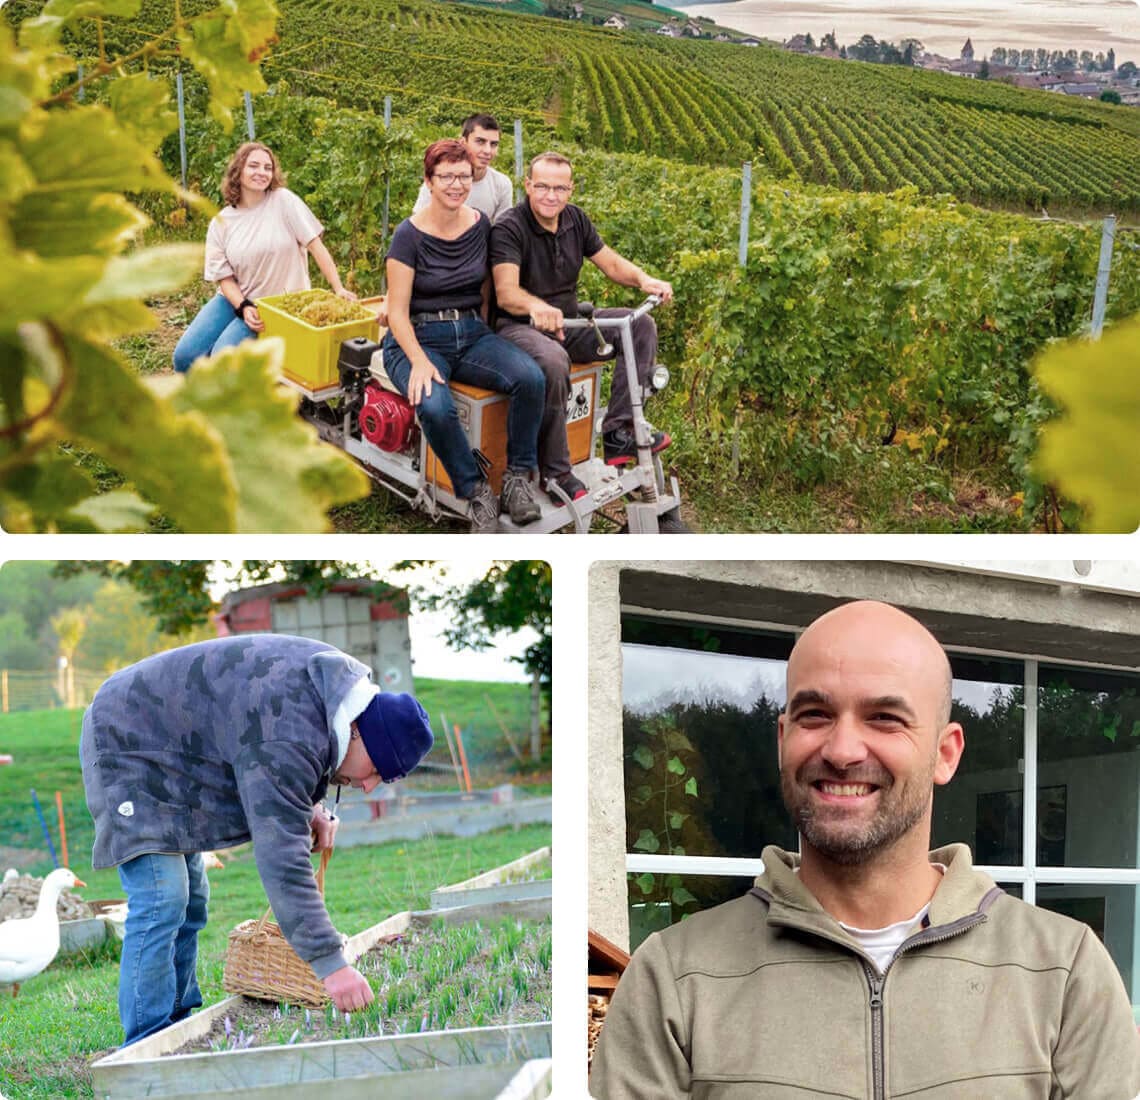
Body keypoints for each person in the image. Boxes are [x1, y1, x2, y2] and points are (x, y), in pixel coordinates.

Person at [590, 600, 1140, 1099]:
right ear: (783, 741)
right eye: (815, 715)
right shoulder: (675, 978)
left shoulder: (1064, 971)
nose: (843, 749)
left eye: (884, 718)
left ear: (945, 754)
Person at [79, 634, 434, 1047]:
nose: (369, 786)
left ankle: (178, 1023)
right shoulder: (290, 728)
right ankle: (147, 1043)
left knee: (192, 900)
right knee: (164, 897)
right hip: (128, 736)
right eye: (377, 770)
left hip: (176, 750)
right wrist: (330, 966)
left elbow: (283, 754)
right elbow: (282, 859)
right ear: (359, 734)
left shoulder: (333, 693)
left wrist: (312, 806)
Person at [491, 152, 673, 503]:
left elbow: (611, 263)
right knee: (554, 360)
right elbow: (507, 292)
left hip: (570, 321)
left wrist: (643, 280)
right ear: (528, 185)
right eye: (542, 186)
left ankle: (619, 431)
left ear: (570, 190)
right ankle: (555, 471)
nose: (550, 195)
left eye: (559, 188)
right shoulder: (510, 227)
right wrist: (537, 307)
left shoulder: (575, 220)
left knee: (639, 327)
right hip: (519, 327)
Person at [383, 139, 545, 531]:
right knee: (434, 405)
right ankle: (475, 491)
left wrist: (492, 338)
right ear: (429, 181)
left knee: (530, 378)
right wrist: (419, 361)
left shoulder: (480, 225)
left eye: (463, 176)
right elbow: (396, 313)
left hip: (471, 330)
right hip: (417, 337)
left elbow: (487, 290)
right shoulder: (408, 236)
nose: (456, 184)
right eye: (446, 177)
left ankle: (517, 479)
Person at [172, 141, 357, 373]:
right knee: (185, 357)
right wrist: (243, 306)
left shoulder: (283, 201)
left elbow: (316, 246)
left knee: (222, 357)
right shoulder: (222, 222)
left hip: (276, 305)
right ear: (238, 171)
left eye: (267, 168)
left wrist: (338, 288)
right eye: (254, 166)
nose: (262, 172)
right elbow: (225, 278)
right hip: (237, 300)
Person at [412, 114, 513, 224]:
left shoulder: (501, 184)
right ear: (463, 142)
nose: (487, 150)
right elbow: (418, 224)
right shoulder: (441, 180)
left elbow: (502, 231)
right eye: (480, 141)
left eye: (493, 144)